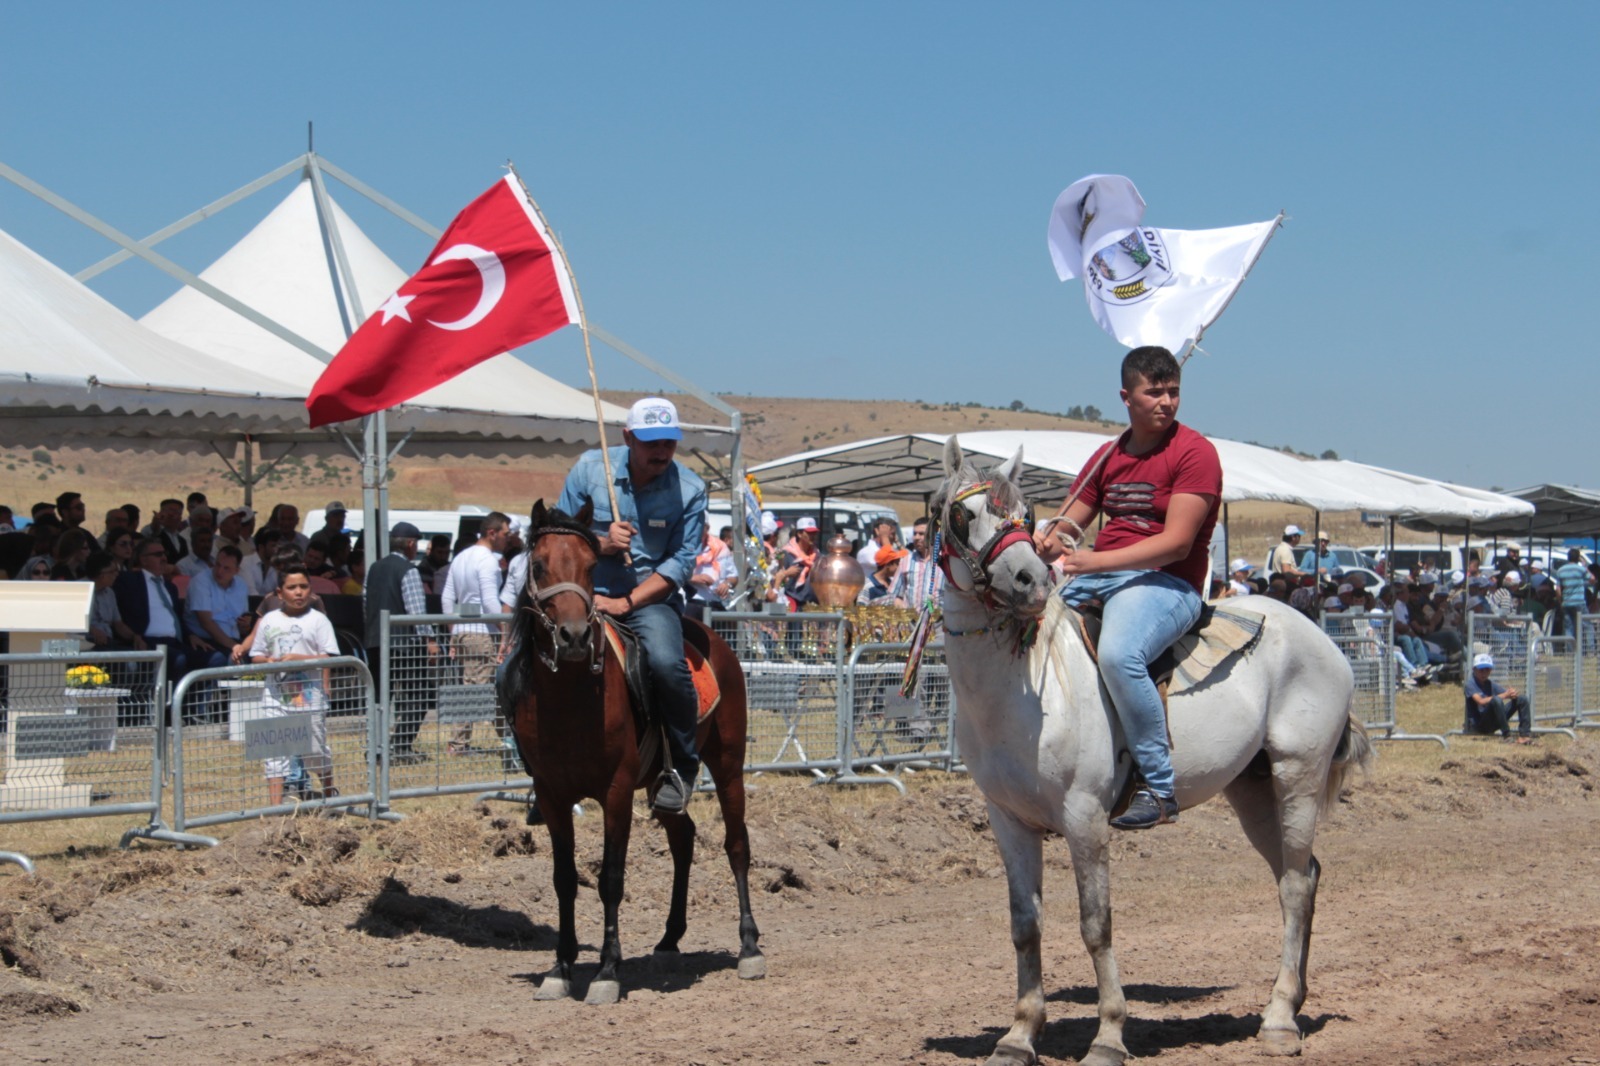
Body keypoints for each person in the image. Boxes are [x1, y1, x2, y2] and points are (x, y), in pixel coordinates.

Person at [1034, 346, 1221, 830]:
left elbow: (1176, 545)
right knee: (1031, 628)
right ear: (1126, 396)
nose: (1166, 402)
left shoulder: (1195, 453)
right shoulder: (1108, 455)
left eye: (1173, 392)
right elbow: (1070, 523)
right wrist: (1049, 539)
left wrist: (1094, 560)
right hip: (1101, 574)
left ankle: (1159, 789)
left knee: (1119, 655)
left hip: (1167, 583)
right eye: (1153, 392)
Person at [557, 396, 706, 813]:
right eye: (651, 442)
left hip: (648, 600)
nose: (661, 451)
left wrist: (626, 602)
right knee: (518, 664)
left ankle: (680, 767)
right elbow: (558, 533)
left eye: (669, 443)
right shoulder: (589, 469)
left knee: (665, 664)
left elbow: (680, 562)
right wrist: (601, 544)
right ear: (628, 437)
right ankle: (542, 770)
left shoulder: (690, 490)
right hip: (581, 595)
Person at [250, 563, 342, 803]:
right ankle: (274, 811)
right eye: (292, 587)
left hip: (308, 697)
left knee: (313, 751)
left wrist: (301, 660)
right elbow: (256, 654)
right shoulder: (269, 620)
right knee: (274, 753)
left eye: (303, 586)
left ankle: (330, 794)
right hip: (275, 696)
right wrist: (268, 661)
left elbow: (329, 655)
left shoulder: (318, 620)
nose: (298, 592)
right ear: (279, 593)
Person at [364, 521, 440, 764]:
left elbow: (366, 603)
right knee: (420, 693)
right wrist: (429, 639)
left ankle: (375, 748)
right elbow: (415, 610)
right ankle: (401, 745)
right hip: (404, 643)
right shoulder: (409, 570)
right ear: (410, 544)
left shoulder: (374, 568)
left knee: (378, 698)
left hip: (375, 641)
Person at [440, 511, 510, 755]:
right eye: (505, 534)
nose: (507, 539)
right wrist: (505, 632)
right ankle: (458, 744)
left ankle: (511, 738)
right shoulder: (488, 560)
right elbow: (491, 603)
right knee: (476, 691)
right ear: (492, 533)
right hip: (482, 633)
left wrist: (453, 633)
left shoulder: (461, 557)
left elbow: (448, 598)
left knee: (485, 688)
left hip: (462, 631)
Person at [184, 545, 252, 660]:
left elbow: (242, 621)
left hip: (233, 639)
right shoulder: (200, 581)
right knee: (229, 659)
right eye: (218, 565)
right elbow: (206, 623)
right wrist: (234, 646)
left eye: (226, 568)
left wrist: (244, 625)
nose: (219, 571)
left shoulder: (241, 585)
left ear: (236, 571)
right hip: (205, 639)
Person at [1464, 653, 1532, 743]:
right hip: (1480, 725)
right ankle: (1507, 736)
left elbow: (1505, 693)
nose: (1484, 673)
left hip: (1494, 722)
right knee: (1496, 700)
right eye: (1481, 670)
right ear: (1474, 669)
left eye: (1487, 670)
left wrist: (1512, 693)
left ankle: (1524, 736)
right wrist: (1505, 695)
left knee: (1522, 699)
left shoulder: (1490, 684)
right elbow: (1480, 701)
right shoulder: (1470, 684)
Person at [891, 515, 946, 610]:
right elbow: (896, 596)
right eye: (914, 533)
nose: (916, 537)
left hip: (938, 622)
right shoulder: (906, 561)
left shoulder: (944, 561)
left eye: (921, 534)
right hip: (912, 622)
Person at [1556, 548, 1590, 643]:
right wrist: (1584, 565)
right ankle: (1591, 651)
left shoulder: (1560, 570)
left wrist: (1560, 602)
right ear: (1578, 558)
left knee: (1569, 627)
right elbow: (1592, 579)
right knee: (1587, 625)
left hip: (1566, 602)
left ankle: (1570, 652)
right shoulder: (1581, 569)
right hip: (1579, 602)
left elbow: (1558, 589)